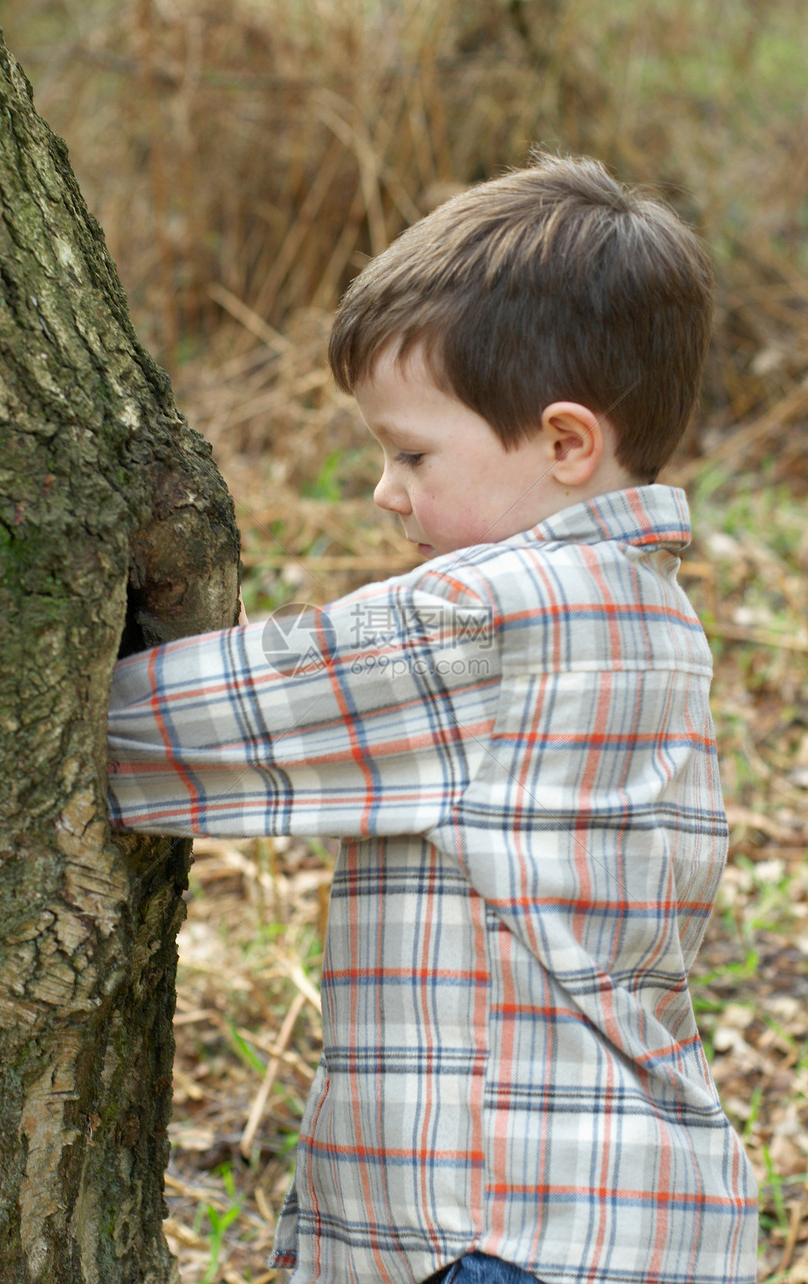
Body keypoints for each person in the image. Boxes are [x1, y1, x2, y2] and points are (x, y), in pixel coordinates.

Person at [108, 153, 758, 1284]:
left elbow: (173, 726)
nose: (383, 490)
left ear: (565, 444)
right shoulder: (653, 617)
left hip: (499, 1234)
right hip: (624, 1220)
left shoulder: (483, 621)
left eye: (410, 452)